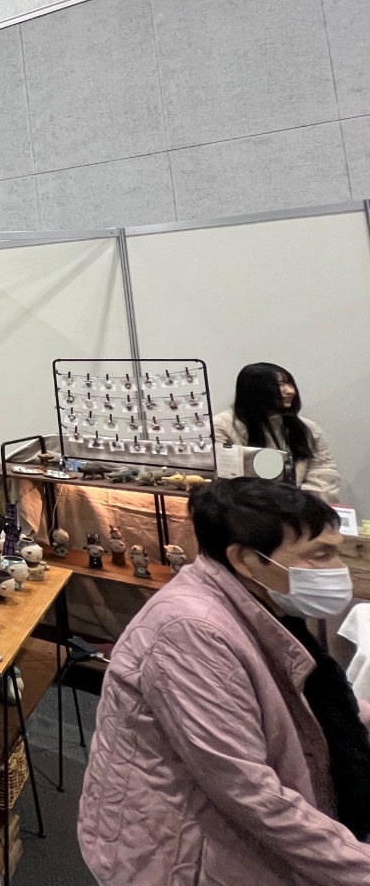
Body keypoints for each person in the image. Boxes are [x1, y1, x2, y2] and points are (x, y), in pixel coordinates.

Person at [79, 478, 370, 884]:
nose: (337, 570)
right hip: (183, 853)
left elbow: (308, 701)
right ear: (246, 559)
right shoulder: (189, 632)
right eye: (320, 555)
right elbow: (248, 789)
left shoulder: (263, 602)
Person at [214, 362, 340, 501]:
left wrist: (300, 501)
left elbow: (323, 470)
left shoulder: (308, 428)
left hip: (299, 506)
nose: (290, 391)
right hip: (243, 507)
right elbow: (221, 480)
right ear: (254, 389)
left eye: (290, 384)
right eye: (280, 385)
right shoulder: (222, 427)